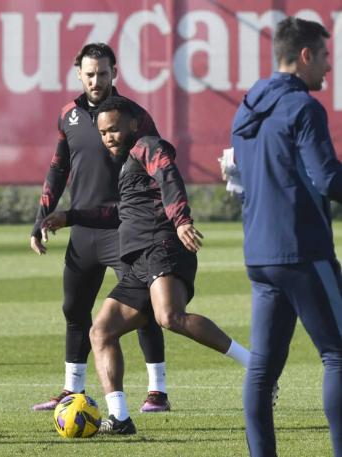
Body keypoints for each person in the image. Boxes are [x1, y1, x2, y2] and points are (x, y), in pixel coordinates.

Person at [42, 96, 252, 434]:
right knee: (101, 332)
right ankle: (120, 418)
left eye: (114, 129)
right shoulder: (127, 165)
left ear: (132, 124)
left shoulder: (149, 146)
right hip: (139, 258)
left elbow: (169, 177)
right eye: (103, 132)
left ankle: (255, 366)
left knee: (170, 316)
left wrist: (182, 220)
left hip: (163, 245)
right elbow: (119, 213)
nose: (109, 136)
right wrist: (70, 216)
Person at [30, 42, 170, 413]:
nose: (96, 80)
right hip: (84, 230)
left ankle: (158, 390)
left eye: (103, 73)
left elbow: (158, 164)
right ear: (79, 73)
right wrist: (40, 217)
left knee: (140, 305)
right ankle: (72, 389)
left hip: (126, 228)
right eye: (90, 74)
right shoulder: (68, 115)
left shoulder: (134, 116)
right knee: (75, 308)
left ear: (115, 73)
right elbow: (59, 168)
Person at [231, 17, 342, 456]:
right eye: (326, 57)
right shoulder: (303, 108)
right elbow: (329, 180)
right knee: (337, 354)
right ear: (305, 55)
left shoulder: (247, 106)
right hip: (302, 249)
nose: (329, 68)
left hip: (259, 253)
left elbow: (237, 174)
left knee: (262, 368)